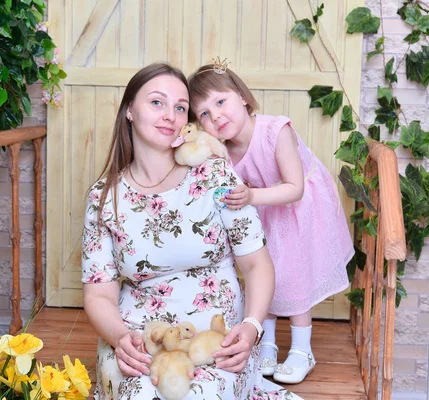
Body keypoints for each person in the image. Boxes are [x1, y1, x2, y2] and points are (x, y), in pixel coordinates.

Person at [81, 63, 301, 400]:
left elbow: (257, 265)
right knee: (137, 393)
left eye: (180, 107)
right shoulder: (103, 197)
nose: (170, 114)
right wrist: (120, 338)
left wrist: (252, 327)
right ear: (129, 111)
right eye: (157, 102)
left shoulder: (215, 176)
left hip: (215, 336)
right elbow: (99, 294)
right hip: (138, 338)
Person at [187, 62, 354, 384]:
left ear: (243, 98)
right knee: (267, 272)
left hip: (301, 208)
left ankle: (303, 349)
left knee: (293, 277)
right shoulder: (222, 151)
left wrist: (250, 197)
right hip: (265, 210)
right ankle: (267, 343)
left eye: (220, 102)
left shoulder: (276, 131)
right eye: (204, 114)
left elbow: (295, 189)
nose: (216, 116)